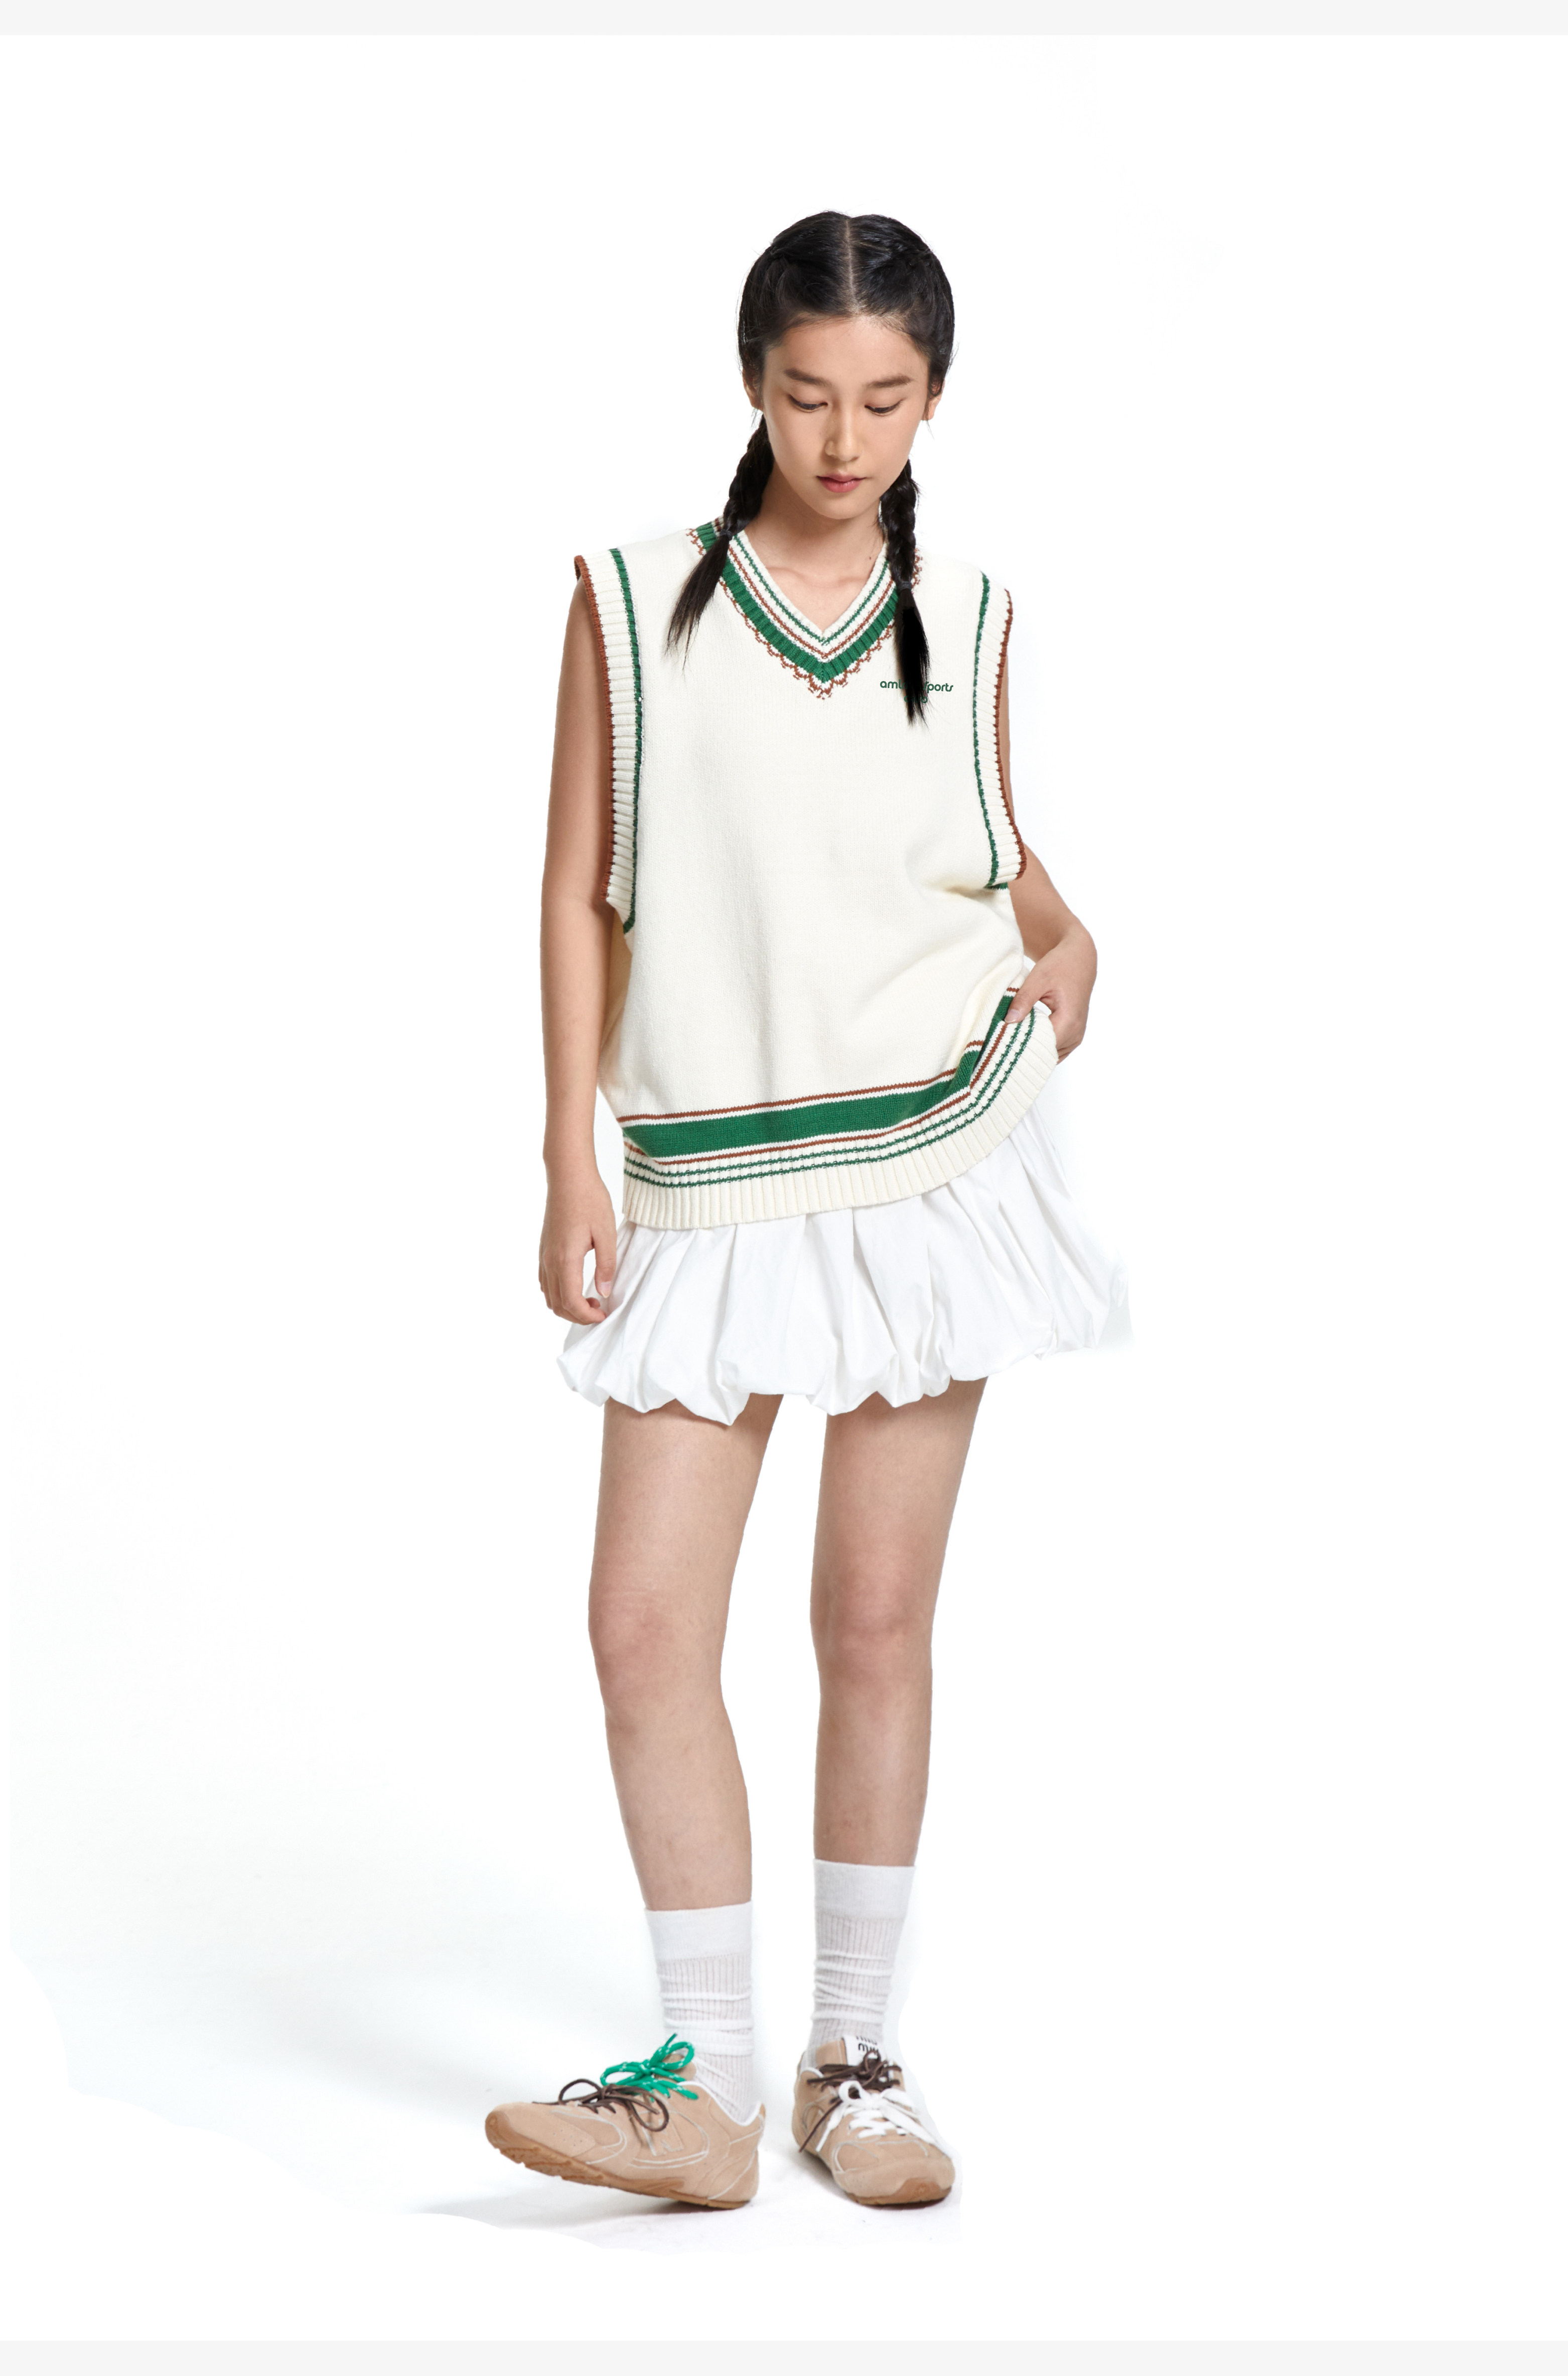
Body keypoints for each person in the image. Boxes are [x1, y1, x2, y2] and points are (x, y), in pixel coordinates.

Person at [486, 212, 1123, 2212]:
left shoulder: (977, 620)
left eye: (886, 399)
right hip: (710, 1166)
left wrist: (1073, 945)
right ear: (751, 384)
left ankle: (855, 2064)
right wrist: (565, 1153)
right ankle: (707, 2087)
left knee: (873, 1616)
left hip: (931, 1148)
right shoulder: (630, 602)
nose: (843, 440)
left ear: (934, 398)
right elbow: (577, 887)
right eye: (805, 395)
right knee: (642, 1624)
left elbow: (993, 857)